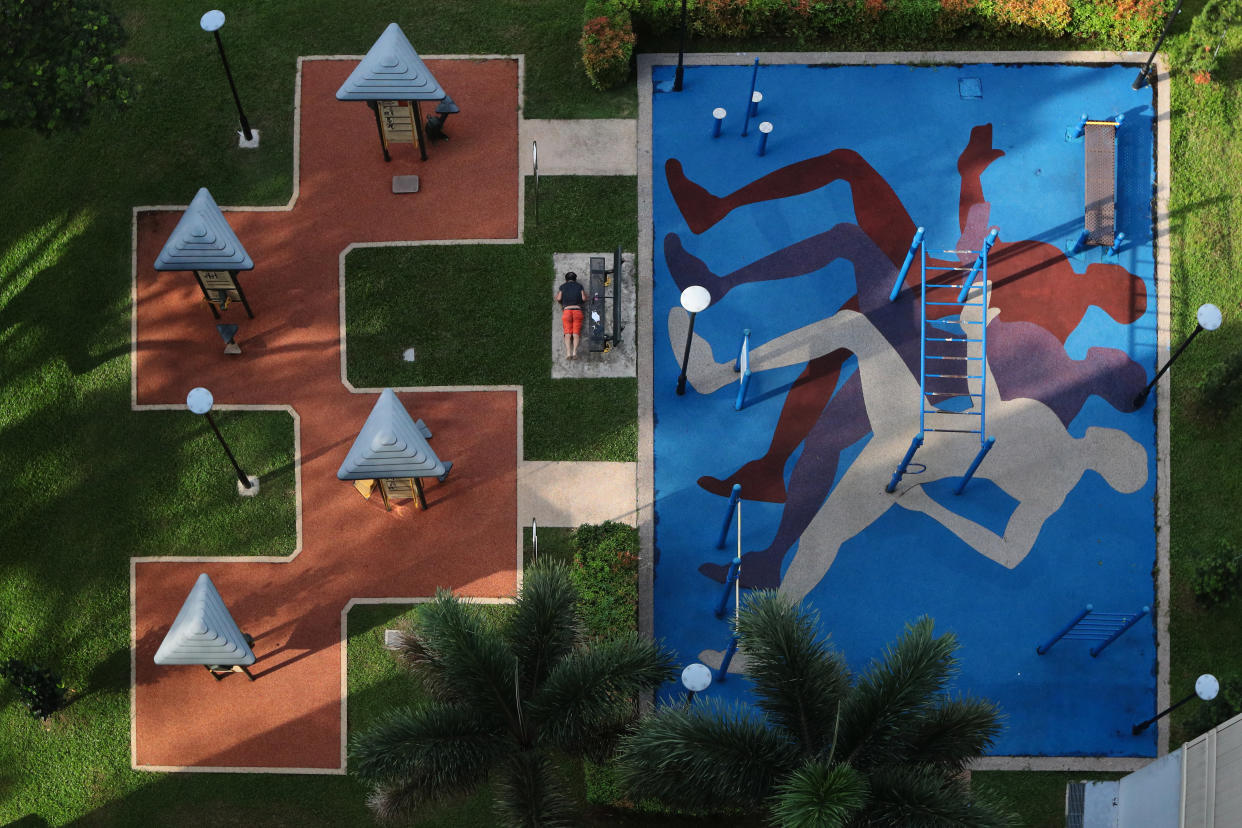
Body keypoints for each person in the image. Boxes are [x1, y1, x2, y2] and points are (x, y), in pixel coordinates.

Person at [555, 272, 586, 359]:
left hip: (567, 311)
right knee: (576, 333)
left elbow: (559, 299)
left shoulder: (563, 286)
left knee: (567, 334)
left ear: (566, 279)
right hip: (577, 311)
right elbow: (584, 298)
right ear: (575, 279)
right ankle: (575, 352)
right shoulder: (579, 286)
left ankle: (568, 353)